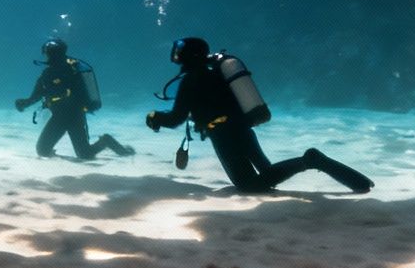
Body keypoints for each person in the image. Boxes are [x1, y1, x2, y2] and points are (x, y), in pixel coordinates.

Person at [145, 36, 371, 194]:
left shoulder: (192, 80)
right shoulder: (216, 72)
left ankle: (310, 160)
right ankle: (345, 176)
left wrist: (156, 117)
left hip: (224, 135)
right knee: (267, 175)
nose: (176, 55)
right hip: (242, 129)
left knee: (249, 186)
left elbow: (176, 118)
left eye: (179, 51)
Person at [15, 38, 132, 159]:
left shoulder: (68, 71)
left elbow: (36, 96)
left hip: (73, 116)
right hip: (63, 116)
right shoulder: (51, 73)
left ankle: (107, 141)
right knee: (77, 153)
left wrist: (24, 103)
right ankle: (107, 142)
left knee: (47, 151)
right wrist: (25, 103)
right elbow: (37, 96)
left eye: (47, 53)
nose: (47, 56)